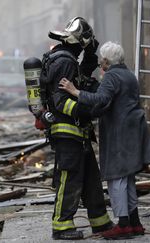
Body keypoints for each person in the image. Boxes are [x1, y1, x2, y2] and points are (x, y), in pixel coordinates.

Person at [59, 41, 150, 239]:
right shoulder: (129, 74)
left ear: (105, 61)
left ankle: (123, 224)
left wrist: (74, 91)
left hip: (119, 134)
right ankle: (135, 223)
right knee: (128, 178)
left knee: (116, 178)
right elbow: (111, 102)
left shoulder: (112, 76)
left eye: (101, 61)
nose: (100, 64)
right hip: (133, 131)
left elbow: (101, 99)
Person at [41, 17, 113, 240]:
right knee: (69, 178)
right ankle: (61, 226)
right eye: (84, 46)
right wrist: (87, 110)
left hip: (78, 134)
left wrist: (92, 49)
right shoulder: (66, 61)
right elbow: (62, 101)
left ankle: (100, 222)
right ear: (78, 43)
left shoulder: (67, 58)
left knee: (91, 177)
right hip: (67, 132)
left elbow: (85, 70)